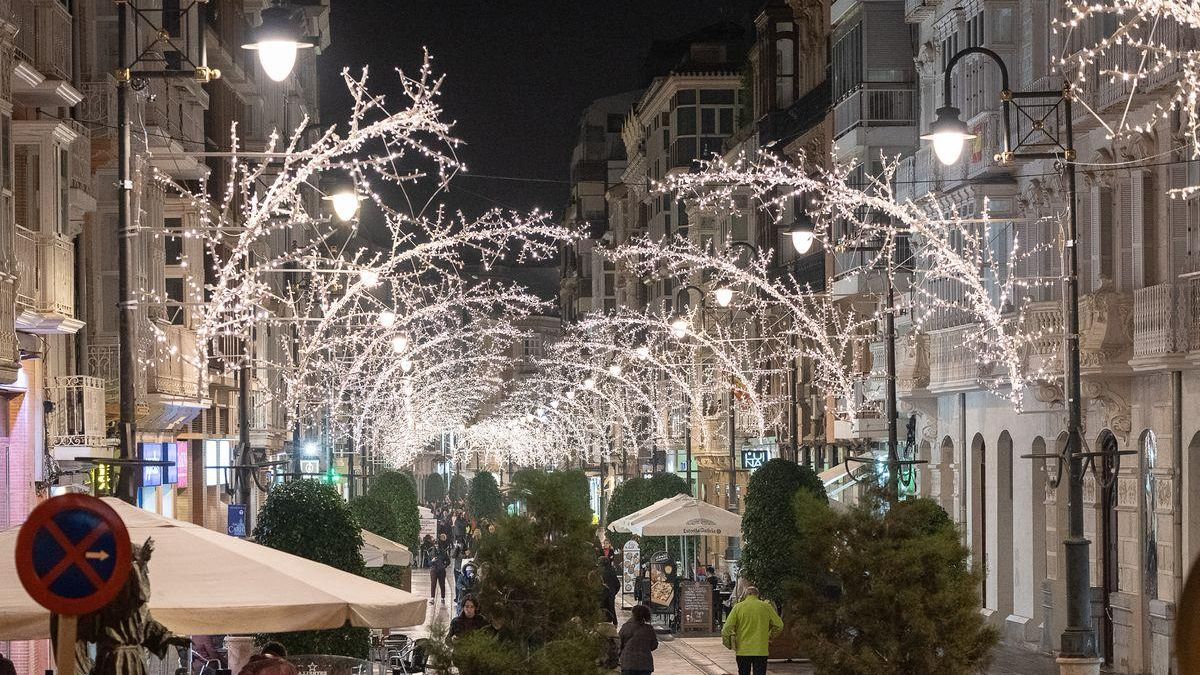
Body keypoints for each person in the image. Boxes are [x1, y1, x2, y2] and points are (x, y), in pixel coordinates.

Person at [721, 586, 783, 675]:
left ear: (746, 595)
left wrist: (729, 644)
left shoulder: (738, 607)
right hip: (761, 649)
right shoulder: (766, 607)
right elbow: (779, 625)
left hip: (742, 650)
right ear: (757, 595)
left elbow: (726, 629)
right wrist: (769, 636)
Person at [617, 604, 658, 675]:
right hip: (645, 664)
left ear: (633, 614)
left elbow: (619, 643)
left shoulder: (626, 627)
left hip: (627, 663)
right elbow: (654, 645)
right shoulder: (649, 629)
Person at [600, 557, 620, 624]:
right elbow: (617, 584)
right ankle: (614, 623)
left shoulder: (599, 572)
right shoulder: (612, 571)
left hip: (601, 593)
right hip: (611, 593)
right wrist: (614, 592)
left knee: (602, 608)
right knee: (612, 608)